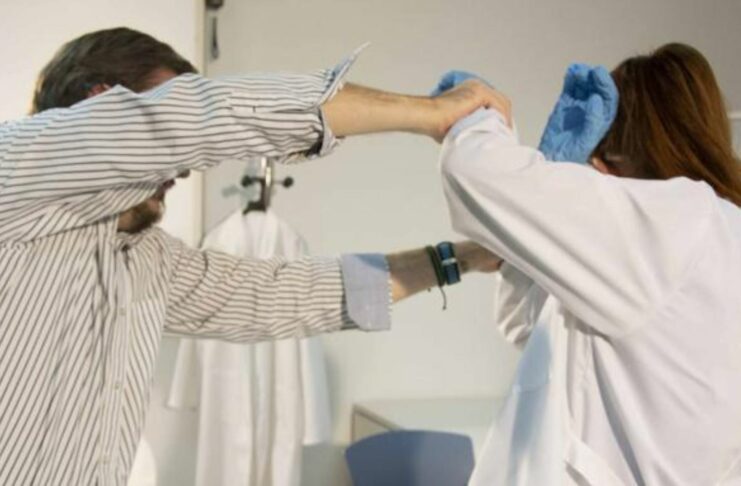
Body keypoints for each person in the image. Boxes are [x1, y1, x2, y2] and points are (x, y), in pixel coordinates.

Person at [0, 27, 502, 485]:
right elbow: (202, 117)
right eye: (171, 118)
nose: (183, 171)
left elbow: (278, 295)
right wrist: (430, 112)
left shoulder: (143, 258)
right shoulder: (14, 170)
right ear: (101, 107)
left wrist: (460, 258)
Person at [438, 43, 741, 484]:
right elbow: (526, 323)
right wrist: (551, 177)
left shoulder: (671, 220)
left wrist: (477, 114)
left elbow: (472, 171)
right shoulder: (720, 226)